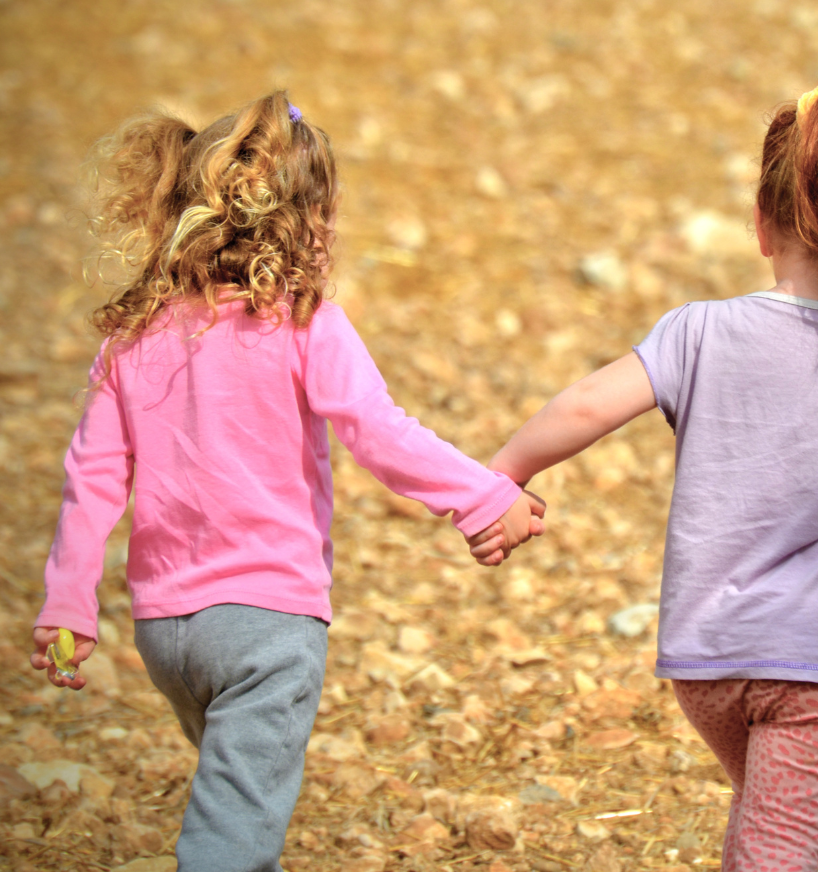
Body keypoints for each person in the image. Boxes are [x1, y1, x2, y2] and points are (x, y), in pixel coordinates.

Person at [469, 83, 818, 871]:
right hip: (813, 670)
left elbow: (584, 406)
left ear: (761, 224)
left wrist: (501, 476)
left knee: (763, 829)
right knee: (776, 852)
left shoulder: (699, 332)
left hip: (707, 663)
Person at [30, 91, 544, 872]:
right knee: (233, 833)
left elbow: (91, 479)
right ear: (307, 223)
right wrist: (484, 498)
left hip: (165, 634)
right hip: (268, 626)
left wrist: (68, 601)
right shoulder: (306, 322)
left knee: (239, 809)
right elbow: (379, 432)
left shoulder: (134, 335)